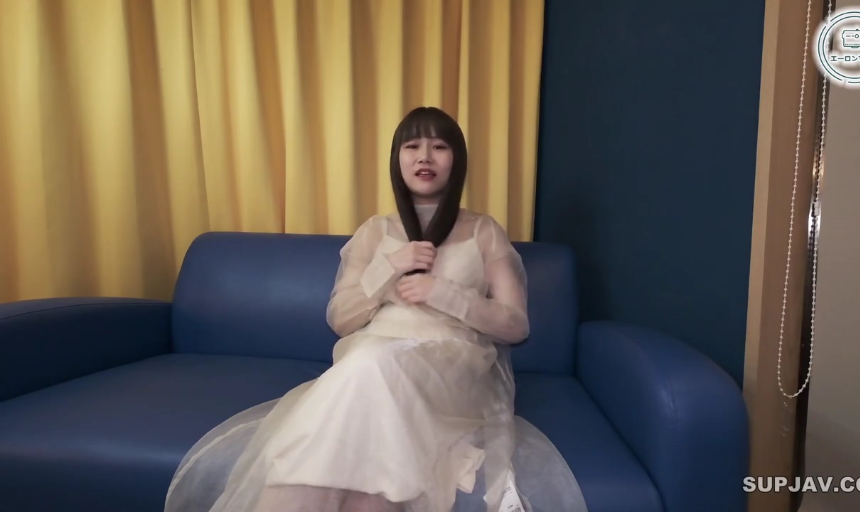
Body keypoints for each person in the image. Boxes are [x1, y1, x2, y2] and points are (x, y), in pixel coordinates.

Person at [163, 107, 587, 512]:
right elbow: (341, 318)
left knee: (360, 381)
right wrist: (389, 267)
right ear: (397, 160)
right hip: (369, 359)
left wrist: (445, 294)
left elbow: (515, 325)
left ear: (456, 161)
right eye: (412, 146)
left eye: (439, 147)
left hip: (448, 364)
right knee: (366, 392)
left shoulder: (483, 231)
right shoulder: (375, 231)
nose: (424, 156)